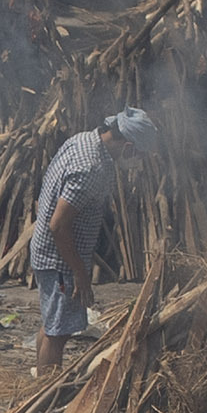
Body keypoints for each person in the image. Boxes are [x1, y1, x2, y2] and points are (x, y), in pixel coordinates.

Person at [22, 115, 143, 375]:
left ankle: (40, 385)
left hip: (49, 252)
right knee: (58, 335)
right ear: (128, 146)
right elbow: (58, 225)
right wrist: (79, 272)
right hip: (60, 259)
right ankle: (44, 394)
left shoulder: (83, 140)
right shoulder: (91, 168)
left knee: (52, 325)